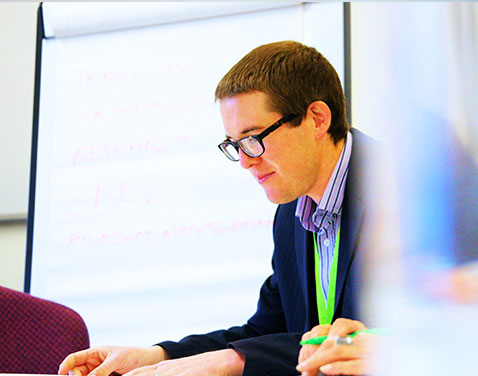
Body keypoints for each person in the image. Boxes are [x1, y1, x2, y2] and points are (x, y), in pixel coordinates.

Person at [59, 41, 379, 376]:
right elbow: (265, 334)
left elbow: (394, 340)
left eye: (253, 138)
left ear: (317, 119)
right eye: (234, 145)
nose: (244, 161)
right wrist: (155, 357)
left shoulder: (404, 188)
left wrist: (229, 362)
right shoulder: (292, 215)